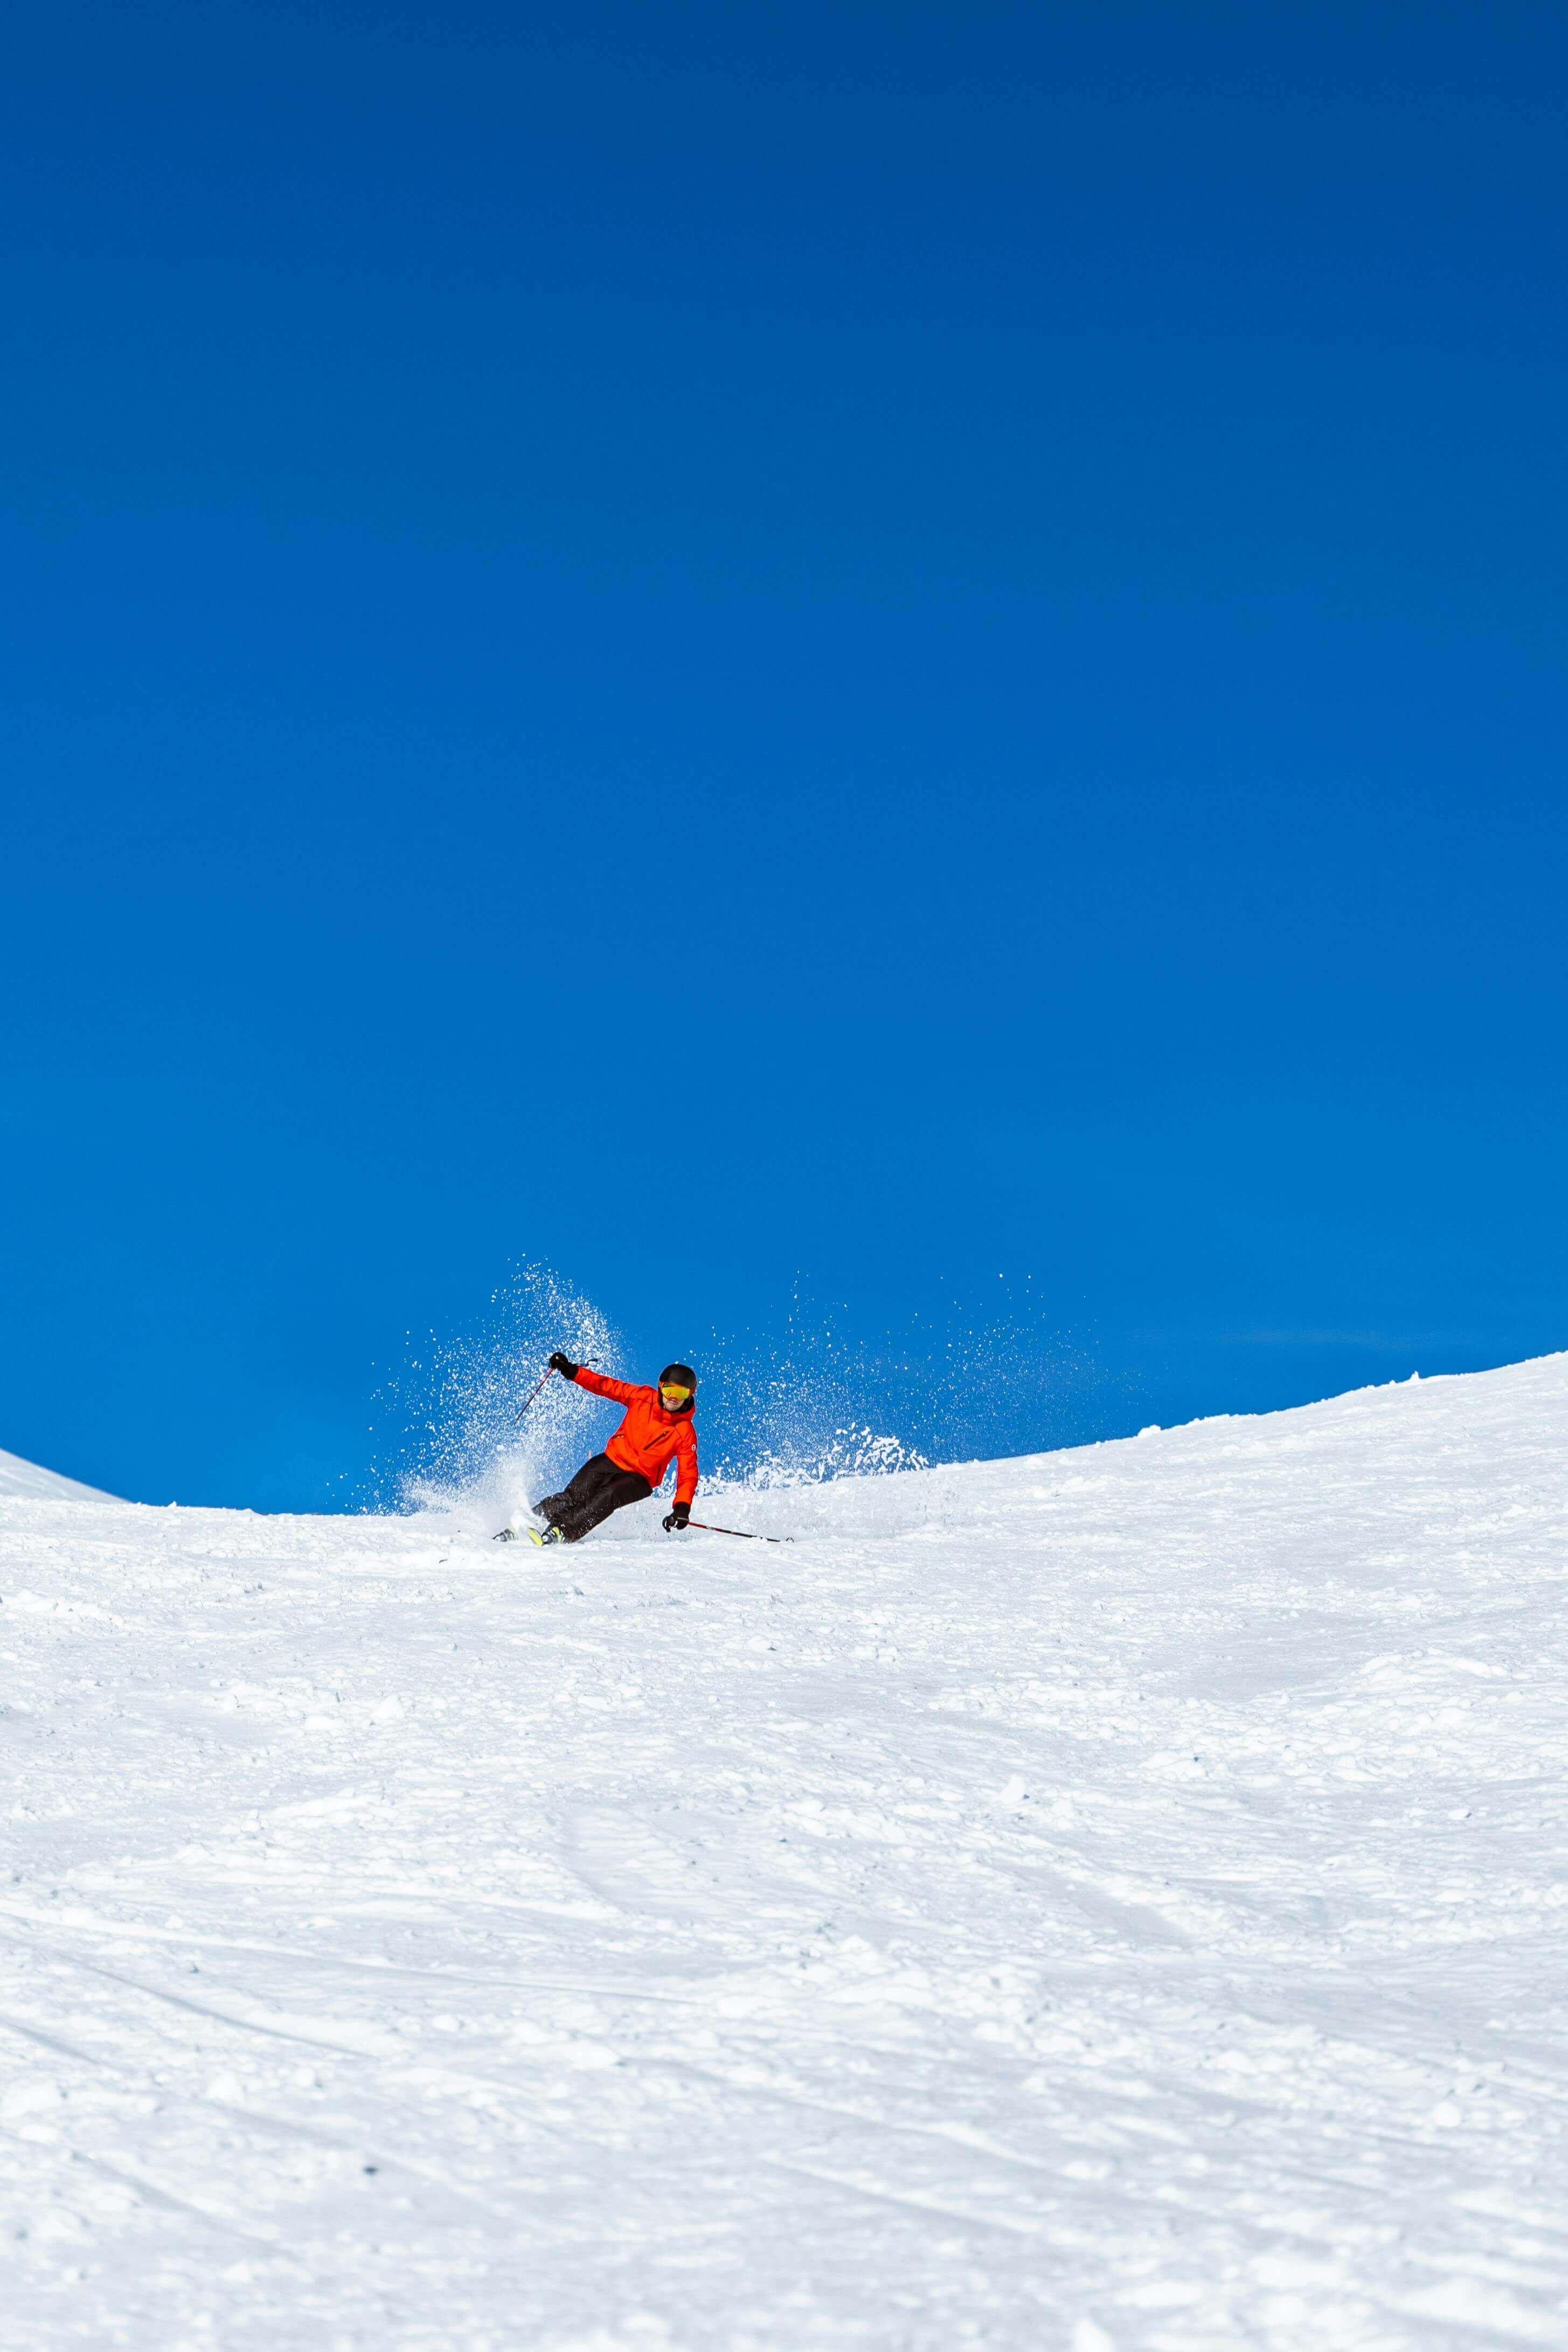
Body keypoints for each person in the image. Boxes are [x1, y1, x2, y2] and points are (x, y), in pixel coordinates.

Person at [525, 1355, 699, 1546]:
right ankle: (530, 1520)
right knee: (575, 1494)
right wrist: (572, 1372)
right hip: (612, 1459)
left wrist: (682, 1507)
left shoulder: (685, 1432)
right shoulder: (642, 1397)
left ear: (690, 1395)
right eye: (669, 1390)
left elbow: (687, 1473)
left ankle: (562, 1531)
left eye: (681, 1394)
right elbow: (606, 1386)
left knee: (608, 1495)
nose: (673, 1398)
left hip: (640, 1478)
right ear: (660, 1386)